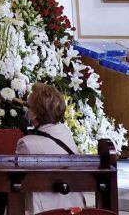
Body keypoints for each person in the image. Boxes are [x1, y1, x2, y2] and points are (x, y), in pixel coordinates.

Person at [16, 83, 85, 214]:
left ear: (35, 113)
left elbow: (16, 181)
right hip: (74, 206)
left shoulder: (26, 144)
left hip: (45, 209)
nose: (27, 110)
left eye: (28, 107)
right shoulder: (65, 132)